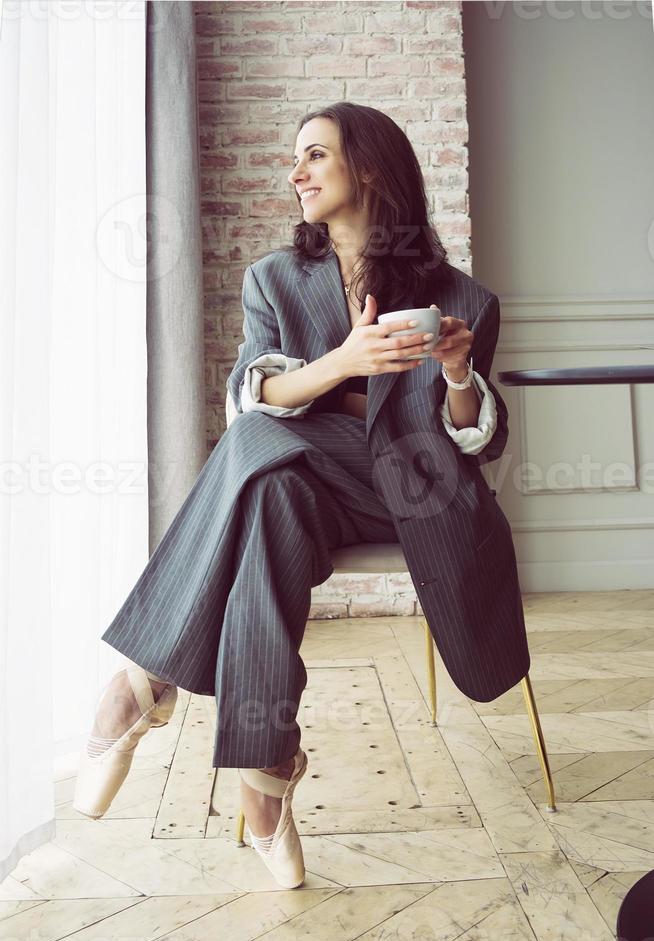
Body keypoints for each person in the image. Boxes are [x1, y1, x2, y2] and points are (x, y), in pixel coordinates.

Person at [73, 101, 505, 890]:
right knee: (269, 496)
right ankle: (266, 766)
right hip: (312, 493)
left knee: (252, 445)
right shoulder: (274, 277)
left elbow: (474, 443)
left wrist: (453, 375)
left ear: (368, 167)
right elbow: (253, 390)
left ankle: (140, 683)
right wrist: (343, 361)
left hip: (407, 490)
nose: (294, 172)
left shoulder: (461, 298)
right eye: (294, 159)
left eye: (314, 156)